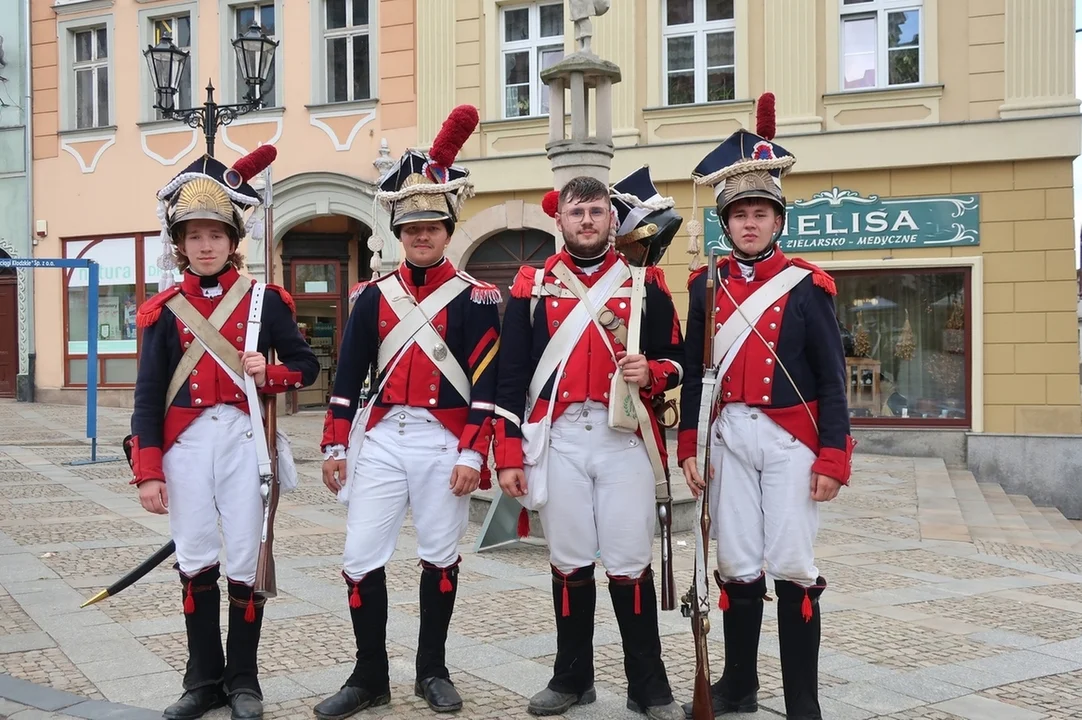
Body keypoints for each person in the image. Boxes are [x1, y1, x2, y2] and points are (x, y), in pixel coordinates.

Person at [315, 105, 501, 718]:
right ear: (399, 232)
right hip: (385, 437)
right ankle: (369, 674)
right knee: (361, 554)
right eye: (412, 228)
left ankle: (432, 669)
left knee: (439, 555)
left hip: (446, 441)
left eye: (432, 226)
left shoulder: (476, 297)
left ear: (448, 228)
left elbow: (486, 384)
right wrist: (336, 444)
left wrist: (475, 450)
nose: (421, 236)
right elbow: (346, 379)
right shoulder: (372, 297)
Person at [677, 93, 854, 720]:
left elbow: (833, 381)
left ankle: (802, 700)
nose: (750, 224)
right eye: (740, 215)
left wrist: (833, 456)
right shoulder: (706, 285)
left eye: (760, 213)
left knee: (792, 564)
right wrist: (687, 447)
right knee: (737, 563)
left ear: (778, 221)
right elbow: (698, 379)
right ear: (725, 224)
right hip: (727, 437)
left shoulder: (809, 286)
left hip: (789, 442)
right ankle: (739, 686)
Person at [129, 148, 320, 720]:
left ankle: (244, 680)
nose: (205, 245)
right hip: (185, 448)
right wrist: (148, 470)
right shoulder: (163, 312)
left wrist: (272, 372)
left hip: (244, 443)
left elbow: (306, 367)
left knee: (244, 559)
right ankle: (201, 679)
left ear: (232, 239)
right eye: (194, 236)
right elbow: (146, 397)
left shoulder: (267, 301)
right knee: (194, 558)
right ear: (180, 244)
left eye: (215, 234)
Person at [493, 174, 685, 720]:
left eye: (596, 212)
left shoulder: (644, 281)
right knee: (570, 562)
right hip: (559, 439)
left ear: (610, 218)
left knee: (628, 562)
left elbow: (678, 362)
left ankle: (647, 685)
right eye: (576, 213)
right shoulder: (532, 283)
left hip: (623, 439)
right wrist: (508, 453)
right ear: (560, 220)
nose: (586, 221)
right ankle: (571, 677)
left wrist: (651, 371)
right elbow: (512, 376)